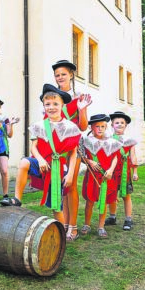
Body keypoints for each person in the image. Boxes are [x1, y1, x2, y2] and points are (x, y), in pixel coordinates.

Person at [0, 84, 81, 225]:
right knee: (24, 162)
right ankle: (17, 199)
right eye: (47, 104)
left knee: (56, 207)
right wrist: (40, 160)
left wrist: (70, 173)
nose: (51, 107)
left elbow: (73, 153)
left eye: (55, 103)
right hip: (42, 164)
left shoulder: (70, 127)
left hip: (58, 169)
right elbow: (34, 147)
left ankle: (61, 235)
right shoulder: (39, 125)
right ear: (44, 106)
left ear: (62, 105)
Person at [51, 60, 92, 240]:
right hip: (57, 148)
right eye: (57, 75)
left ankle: (73, 227)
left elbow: (83, 127)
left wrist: (82, 110)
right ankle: (65, 224)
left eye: (63, 74)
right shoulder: (53, 98)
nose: (60, 77)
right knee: (62, 187)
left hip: (73, 147)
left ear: (71, 75)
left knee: (71, 185)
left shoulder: (78, 96)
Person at [80, 114, 121, 238]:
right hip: (92, 176)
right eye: (97, 126)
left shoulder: (112, 141)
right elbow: (81, 156)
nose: (100, 129)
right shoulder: (86, 141)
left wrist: (110, 170)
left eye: (102, 126)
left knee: (104, 201)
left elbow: (115, 157)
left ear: (106, 127)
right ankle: (87, 224)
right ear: (92, 127)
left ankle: (101, 227)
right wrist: (89, 161)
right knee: (90, 201)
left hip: (106, 176)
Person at [105, 111, 139, 231]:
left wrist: (135, 172)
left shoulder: (130, 140)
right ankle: (112, 217)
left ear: (126, 125)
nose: (119, 125)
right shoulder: (108, 139)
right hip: (113, 172)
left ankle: (128, 219)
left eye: (122, 123)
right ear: (112, 125)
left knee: (126, 196)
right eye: (116, 123)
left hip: (125, 172)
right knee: (112, 195)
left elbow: (133, 156)